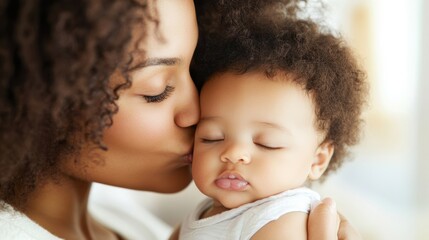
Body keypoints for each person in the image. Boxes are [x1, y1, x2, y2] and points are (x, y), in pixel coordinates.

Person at [0, 0, 360, 239]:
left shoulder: (127, 224)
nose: (197, 112)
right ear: (37, 98)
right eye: (156, 90)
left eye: (194, 67)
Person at [175, 0, 368, 239]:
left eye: (267, 143)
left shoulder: (283, 220)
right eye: (211, 138)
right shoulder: (204, 211)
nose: (234, 153)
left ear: (317, 160)